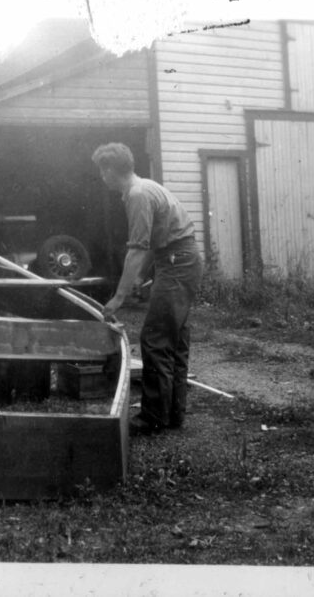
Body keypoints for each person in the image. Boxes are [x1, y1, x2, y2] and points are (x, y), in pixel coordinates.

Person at [91, 143, 203, 435]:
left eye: (102, 170)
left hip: (177, 263)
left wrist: (119, 296)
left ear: (110, 171)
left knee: (154, 338)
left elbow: (137, 250)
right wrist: (139, 277)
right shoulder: (145, 187)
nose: (101, 177)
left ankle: (153, 417)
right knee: (173, 339)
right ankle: (172, 414)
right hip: (180, 259)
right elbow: (157, 240)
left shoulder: (138, 196)